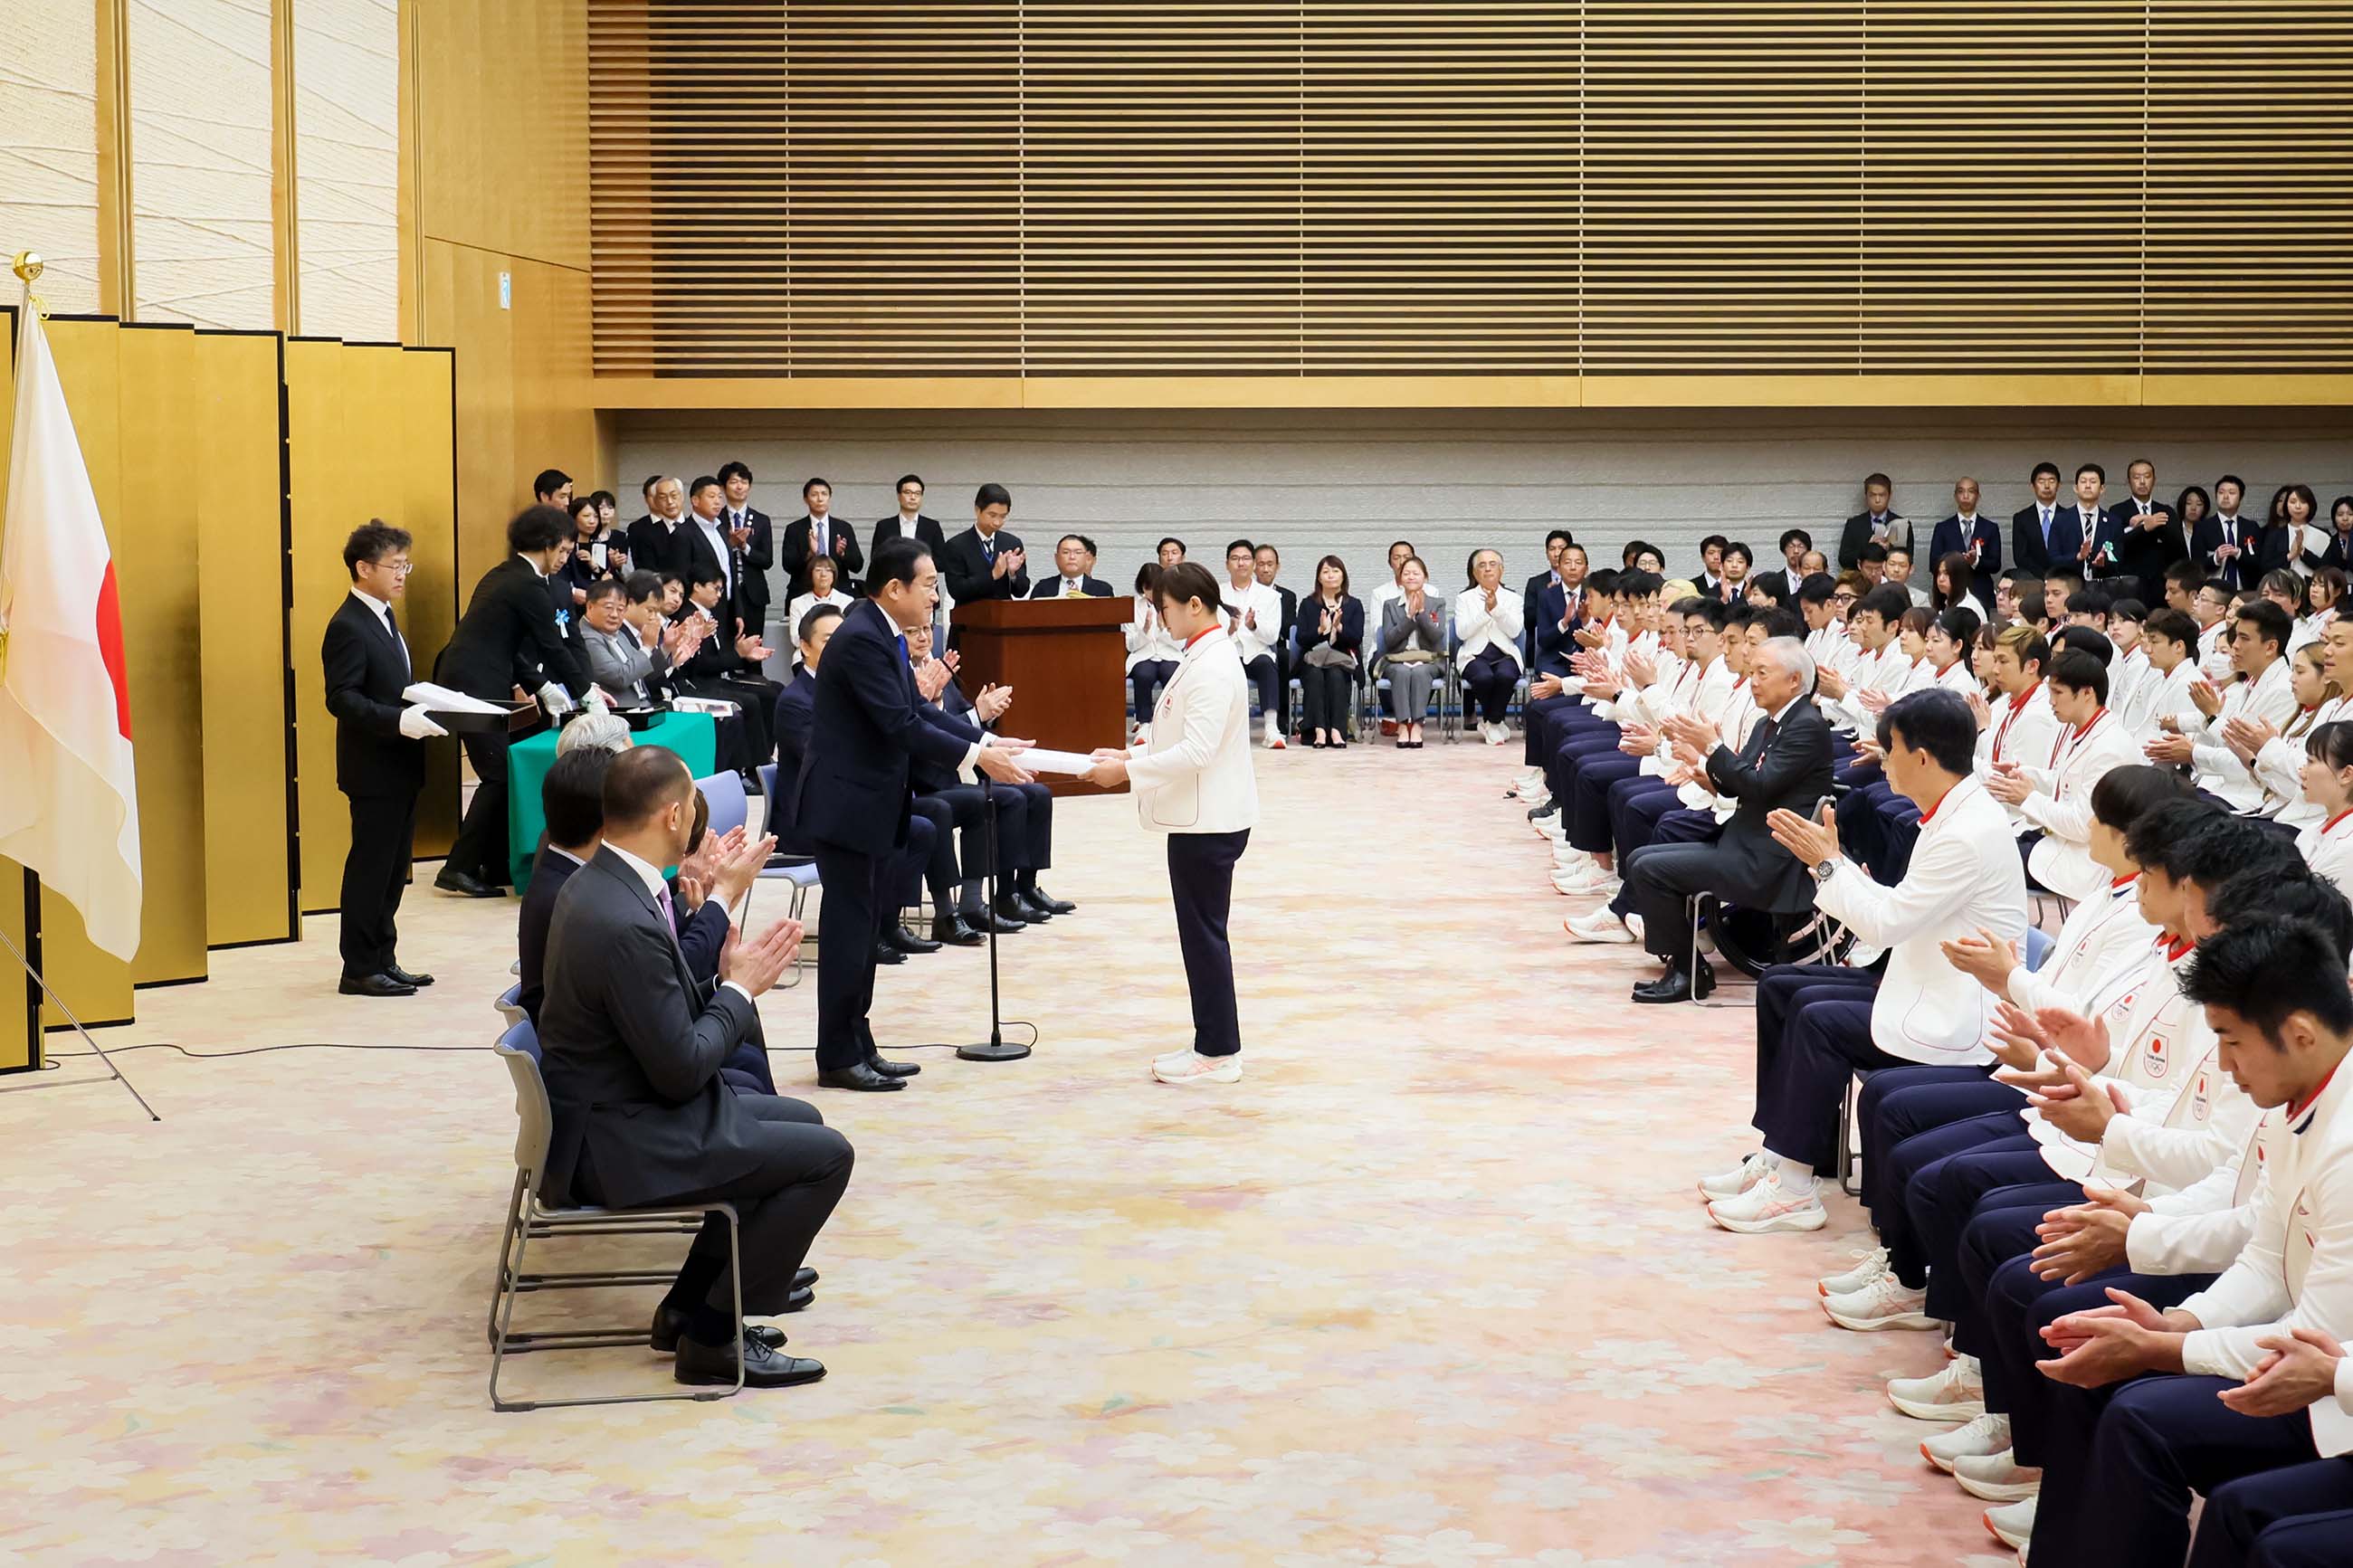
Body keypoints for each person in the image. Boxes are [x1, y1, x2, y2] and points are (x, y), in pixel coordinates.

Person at [2024, 916, 2353, 1567]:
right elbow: (2265, 1252)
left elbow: (2314, 1335)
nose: (2225, 1067)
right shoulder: (2303, 1095)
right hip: (2305, 1360)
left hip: (2327, 1390)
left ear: (2301, 1032)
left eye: (2231, 1042)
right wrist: (2178, 1320)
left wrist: (2165, 1346)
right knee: (2120, 1390)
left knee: (2143, 1421)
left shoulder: (2346, 1142)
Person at [538, 746, 847, 1390]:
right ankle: (712, 1337)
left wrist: (725, 976)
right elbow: (681, 1068)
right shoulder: (623, 918)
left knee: (799, 1118)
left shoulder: (600, 883)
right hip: (620, 1138)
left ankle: (685, 1306)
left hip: (614, 1107)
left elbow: (663, 1019)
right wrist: (739, 990)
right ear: (674, 814)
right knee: (827, 1155)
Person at [1704, 689, 2029, 1233]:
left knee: (1819, 1018)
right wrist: (1837, 866)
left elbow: (1887, 922)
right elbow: (1898, 909)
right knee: (1783, 985)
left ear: (1922, 756)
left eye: (1891, 748)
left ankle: (1792, 1189)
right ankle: (1785, 1152)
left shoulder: (1967, 833)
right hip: (1919, 976)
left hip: (1952, 1010)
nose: (1882, 759)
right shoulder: (1953, 811)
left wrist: (1831, 867)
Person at [799, 537, 1034, 1091]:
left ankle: (859, 1043)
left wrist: (984, 738)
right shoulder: (861, 639)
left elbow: (915, 710)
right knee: (849, 934)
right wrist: (979, 757)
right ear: (894, 588)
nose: (936, 595)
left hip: (872, 802)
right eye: (929, 584)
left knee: (865, 928)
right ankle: (837, 1055)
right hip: (847, 806)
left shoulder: (883, 633)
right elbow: (900, 726)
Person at [1081, 562, 1260, 1087]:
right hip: (1202, 816)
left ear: (1194, 606)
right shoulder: (1203, 654)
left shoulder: (1211, 663)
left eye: (1164, 608)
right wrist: (1130, 748)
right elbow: (1179, 730)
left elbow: (1199, 750)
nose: (1159, 618)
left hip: (1208, 822)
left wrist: (1127, 772)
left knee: (1203, 936)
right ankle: (1211, 1040)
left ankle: (1220, 1052)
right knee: (1200, 934)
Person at [1620, 635, 1833, 1003]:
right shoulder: (1771, 723)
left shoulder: (1806, 726)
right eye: (1751, 673)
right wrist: (1708, 771)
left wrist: (1714, 748)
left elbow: (1760, 785)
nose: (1753, 681)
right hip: (1745, 840)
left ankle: (1687, 971)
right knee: (1640, 858)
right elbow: (1740, 785)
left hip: (1770, 860)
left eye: (1762, 673)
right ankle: (1687, 965)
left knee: (1649, 869)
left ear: (1794, 680)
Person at [433, 505, 593, 897]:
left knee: (503, 771)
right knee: (499, 775)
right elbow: (552, 647)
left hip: (480, 676)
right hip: (473, 681)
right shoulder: (526, 584)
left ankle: (490, 861)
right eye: (564, 551)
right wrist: (587, 693)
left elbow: (514, 648)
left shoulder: (507, 575)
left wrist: (541, 687)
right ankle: (458, 867)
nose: (565, 559)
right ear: (546, 545)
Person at [771, 603, 942, 959]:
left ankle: (888, 922)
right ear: (805, 646)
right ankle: (873, 930)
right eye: (828, 640)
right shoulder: (794, 700)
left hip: (856, 800)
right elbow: (823, 759)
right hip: (816, 814)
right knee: (894, 826)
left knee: (914, 824)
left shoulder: (856, 685)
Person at [321, 523, 443, 996]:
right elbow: (341, 698)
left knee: (393, 871)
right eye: (395, 566)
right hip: (373, 767)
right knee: (370, 869)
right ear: (363, 567)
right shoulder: (347, 624)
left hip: (401, 765)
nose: (402, 575)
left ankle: (384, 958)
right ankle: (358, 968)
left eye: (405, 565)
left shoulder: (385, 617)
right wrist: (396, 720)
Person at [907, 619, 1073, 926]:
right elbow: (922, 729)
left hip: (963, 767)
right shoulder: (908, 677)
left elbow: (954, 722)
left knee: (1036, 792)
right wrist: (973, 715)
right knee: (1004, 798)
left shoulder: (939, 669)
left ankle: (1023, 887)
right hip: (928, 776)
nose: (922, 637)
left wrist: (983, 714)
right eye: (911, 632)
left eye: (927, 630)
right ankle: (989, 898)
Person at [577, 574, 705, 705]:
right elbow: (620, 677)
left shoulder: (616, 634)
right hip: (622, 712)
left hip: (646, 706)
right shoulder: (588, 638)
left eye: (620, 609)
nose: (615, 615)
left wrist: (666, 648)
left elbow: (644, 674)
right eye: (609, 608)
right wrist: (647, 647)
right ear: (590, 606)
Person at [1220, 538, 1287, 748]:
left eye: (1246, 558)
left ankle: (1271, 728)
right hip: (1228, 652)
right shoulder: (1216, 593)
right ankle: (1222, 729)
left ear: (1253, 564)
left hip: (1255, 651)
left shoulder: (1271, 596)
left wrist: (1253, 626)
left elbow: (1272, 637)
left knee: (1267, 664)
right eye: (1235, 558)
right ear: (1227, 564)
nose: (1241, 563)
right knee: (1217, 669)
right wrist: (1230, 629)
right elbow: (1208, 630)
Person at [1377, 554, 1444, 748]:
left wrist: (1421, 614)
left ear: (1425, 577)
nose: (1411, 577)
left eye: (1416, 573)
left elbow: (1436, 636)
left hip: (1429, 659)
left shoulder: (1437, 603)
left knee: (1421, 672)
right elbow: (1389, 640)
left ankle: (1417, 725)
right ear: (1400, 578)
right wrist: (1408, 617)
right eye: (1406, 573)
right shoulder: (1390, 605)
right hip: (1397, 659)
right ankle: (1403, 724)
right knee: (1402, 672)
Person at [1457, 548, 1523, 744]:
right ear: (1475, 573)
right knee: (1483, 677)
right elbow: (1462, 633)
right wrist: (1485, 613)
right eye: (1482, 565)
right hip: (1474, 655)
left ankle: (1491, 722)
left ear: (1501, 570)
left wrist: (1497, 610)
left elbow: (1514, 631)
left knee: (1506, 676)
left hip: (1505, 654)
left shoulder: (1514, 599)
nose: (1487, 569)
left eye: (1493, 564)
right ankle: (1495, 722)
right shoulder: (1464, 598)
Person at [1297, 554, 1364, 748]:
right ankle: (1318, 729)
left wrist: (1339, 628)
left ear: (1343, 576)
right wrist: (1320, 630)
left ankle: (1337, 730)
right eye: (1325, 572)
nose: (1331, 575)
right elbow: (1301, 639)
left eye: (1335, 571)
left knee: (1336, 675)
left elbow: (1356, 638)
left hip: (1341, 659)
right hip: (1313, 659)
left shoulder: (1353, 605)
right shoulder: (1308, 604)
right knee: (1315, 674)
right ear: (1319, 578)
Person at [938, 482, 1028, 619]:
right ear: (977, 510)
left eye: (1003, 516)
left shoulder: (1012, 543)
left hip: (1003, 623)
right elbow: (956, 590)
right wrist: (992, 575)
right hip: (968, 624)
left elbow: (1021, 591)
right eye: (992, 515)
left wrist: (1013, 574)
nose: (997, 522)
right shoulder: (956, 545)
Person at [778, 477, 863, 599]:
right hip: (803, 593)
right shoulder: (794, 529)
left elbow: (858, 566)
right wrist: (810, 554)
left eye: (824, 494)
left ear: (829, 498)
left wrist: (843, 554)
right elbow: (788, 566)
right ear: (806, 499)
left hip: (839, 593)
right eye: (814, 495)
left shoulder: (844, 528)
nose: (820, 499)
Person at [716, 461, 774, 634]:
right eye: (733, 482)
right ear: (724, 487)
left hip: (753, 595)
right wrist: (731, 545)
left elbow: (767, 560)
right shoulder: (716, 519)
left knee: (753, 648)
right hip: (722, 592)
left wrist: (745, 547)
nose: (739, 487)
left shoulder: (761, 520)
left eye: (744, 482)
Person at [1124, 562, 1181, 738]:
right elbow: (1130, 645)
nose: (1153, 593)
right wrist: (1146, 630)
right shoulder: (1131, 606)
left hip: (1169, 654)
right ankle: (1144, 724)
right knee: (1144, 674)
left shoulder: (1175, 604)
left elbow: (1180, 643)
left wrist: (1164, 629)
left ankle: (1171, 724)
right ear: (1142, 587)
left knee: (1171, 673)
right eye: (1149, 588)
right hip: (1142, 655)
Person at [1929, 477, 2004, 609]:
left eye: (1971, 491)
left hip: (1981, 592)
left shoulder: (1990, 528)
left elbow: (1995, 564)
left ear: (1978, 496)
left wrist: (1975, 562)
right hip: (1950, 593)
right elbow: (1933, 564)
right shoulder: (1943, 528)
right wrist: (1956, 563)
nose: (1965, 496)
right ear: (1955, 496)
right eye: (1961, 491)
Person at [1253, 544, 1298, 738]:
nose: (1265, 569)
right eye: (1261, 564)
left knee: (1285, 657)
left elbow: (1288, 628)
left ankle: (1282, 717)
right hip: (1249, 647)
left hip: (1275, 645)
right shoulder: (1248, 593)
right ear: (1254, 566)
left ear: (1277, 566)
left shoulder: (1287, 596)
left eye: (1270, 564)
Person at [784, 556, 853, 667]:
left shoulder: (847, 600)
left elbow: (848, 636)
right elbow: (795, 638)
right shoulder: (797, 603)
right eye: (818, 570)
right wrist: (818, 645)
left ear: (834, 575)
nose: (823, 575)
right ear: (811, 574)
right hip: (806, 656)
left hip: (839, 655)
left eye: (828, 570)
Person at [2195, 473, 2259, 590]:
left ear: (2240, 498)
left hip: (2245, 591)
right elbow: (2195, 565)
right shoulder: (2202, 527)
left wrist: (2239, 554)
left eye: (2231, 493)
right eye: (2221, 492)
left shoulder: (2251, 527)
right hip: (2214, 592)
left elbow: (2258, 563)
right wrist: (2216, 558)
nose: (2225, 496)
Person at [2012, 461, 2072, 579]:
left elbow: (2072, 553)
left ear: (2059, 485)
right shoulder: (2021, 518)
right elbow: (2020, 557)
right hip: (2033, 582)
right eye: (2041, 481)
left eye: (2051, 481)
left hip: (2063, 579)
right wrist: (2044, 576)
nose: (2047, 486)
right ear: (2033, 486)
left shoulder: (2069, 517)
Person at [1839, 473, 1910, 566]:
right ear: (1866, 496)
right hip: (1861, 579)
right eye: (1872, 495)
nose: (1877, 500)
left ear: (1889, 495)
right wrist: (1867, 547)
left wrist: (1889, 550)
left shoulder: (1901, 525)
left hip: (1891, 579)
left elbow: (1908, 560)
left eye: (1882, 495)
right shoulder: (1853, 524)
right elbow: (1844, 559)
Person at [626, 475, 691, 576]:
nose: (669, 502)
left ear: (682, 496)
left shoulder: (696, 527)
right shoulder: (647, 534)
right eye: (663, 498)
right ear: (656, 502)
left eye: (674, 496)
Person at [871, 473, 947, 557]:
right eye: (908, 492)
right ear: (899, 496)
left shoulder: (932, 526)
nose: (913, 497)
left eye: (917, 493)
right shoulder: (883, 526)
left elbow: (942, 561)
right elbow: (876, 559)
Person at [1029, 534, 1112, 598]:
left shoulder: (1103, 590)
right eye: (1066, 552)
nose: (1072, 557)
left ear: (1086, 558)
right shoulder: (1042, 588)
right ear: (1056, 558)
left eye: (1078, 552)